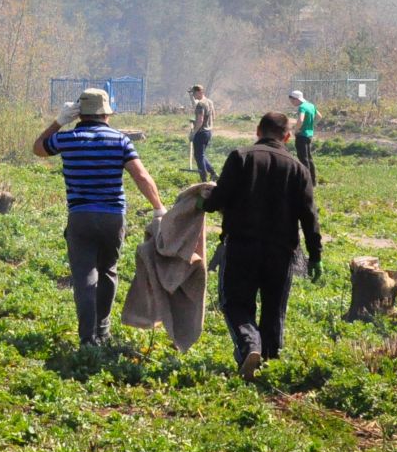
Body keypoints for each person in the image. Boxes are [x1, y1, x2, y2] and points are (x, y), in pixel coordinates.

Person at [32, 87, 166, 348]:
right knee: (108, 272)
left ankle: (87, 338)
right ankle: (103, 331)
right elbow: (141, 176)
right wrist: (158, 207)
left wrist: (58, 122)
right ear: (106, 114)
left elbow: (38, 149)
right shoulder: (120, 141)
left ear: (79, 114)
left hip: (80, 216)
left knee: (84, 278)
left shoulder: (67, 139)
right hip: (112, 217)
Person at [199, 110, 322, 379]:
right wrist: (316, 256)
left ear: (257, 130)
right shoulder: (299, 168)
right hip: (282, 250)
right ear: (287, 137)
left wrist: (204, 202)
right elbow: (309, 215)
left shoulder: (240, 157)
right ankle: (270, 363)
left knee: (235, 303)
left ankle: (249, 347)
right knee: (274, 307)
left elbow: (219, 199)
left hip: (241, 245)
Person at [189, 85, 216, 182]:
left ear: (199, 92)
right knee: (201, 155)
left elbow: (200, 120)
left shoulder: (200, 104)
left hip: (200, 133)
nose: (193, 95)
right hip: (208, 132)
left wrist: (193, 133)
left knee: (198, 156)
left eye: (194, 93)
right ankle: (213, 173)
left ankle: (204, 179)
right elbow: (213, 117)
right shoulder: (209, 102)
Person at [289, 90, 319, 178]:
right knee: (309, 158)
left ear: (296, 99)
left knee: (303, 158)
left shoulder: (301, 107)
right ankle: (313, 179)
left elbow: (301, 120)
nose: (291, 102)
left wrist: (296, 130)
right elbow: (319, 116)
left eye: (292, 100)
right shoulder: (311, 105)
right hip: (309, 135)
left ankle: (306, 180)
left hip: (301, 136)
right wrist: (310, 125)